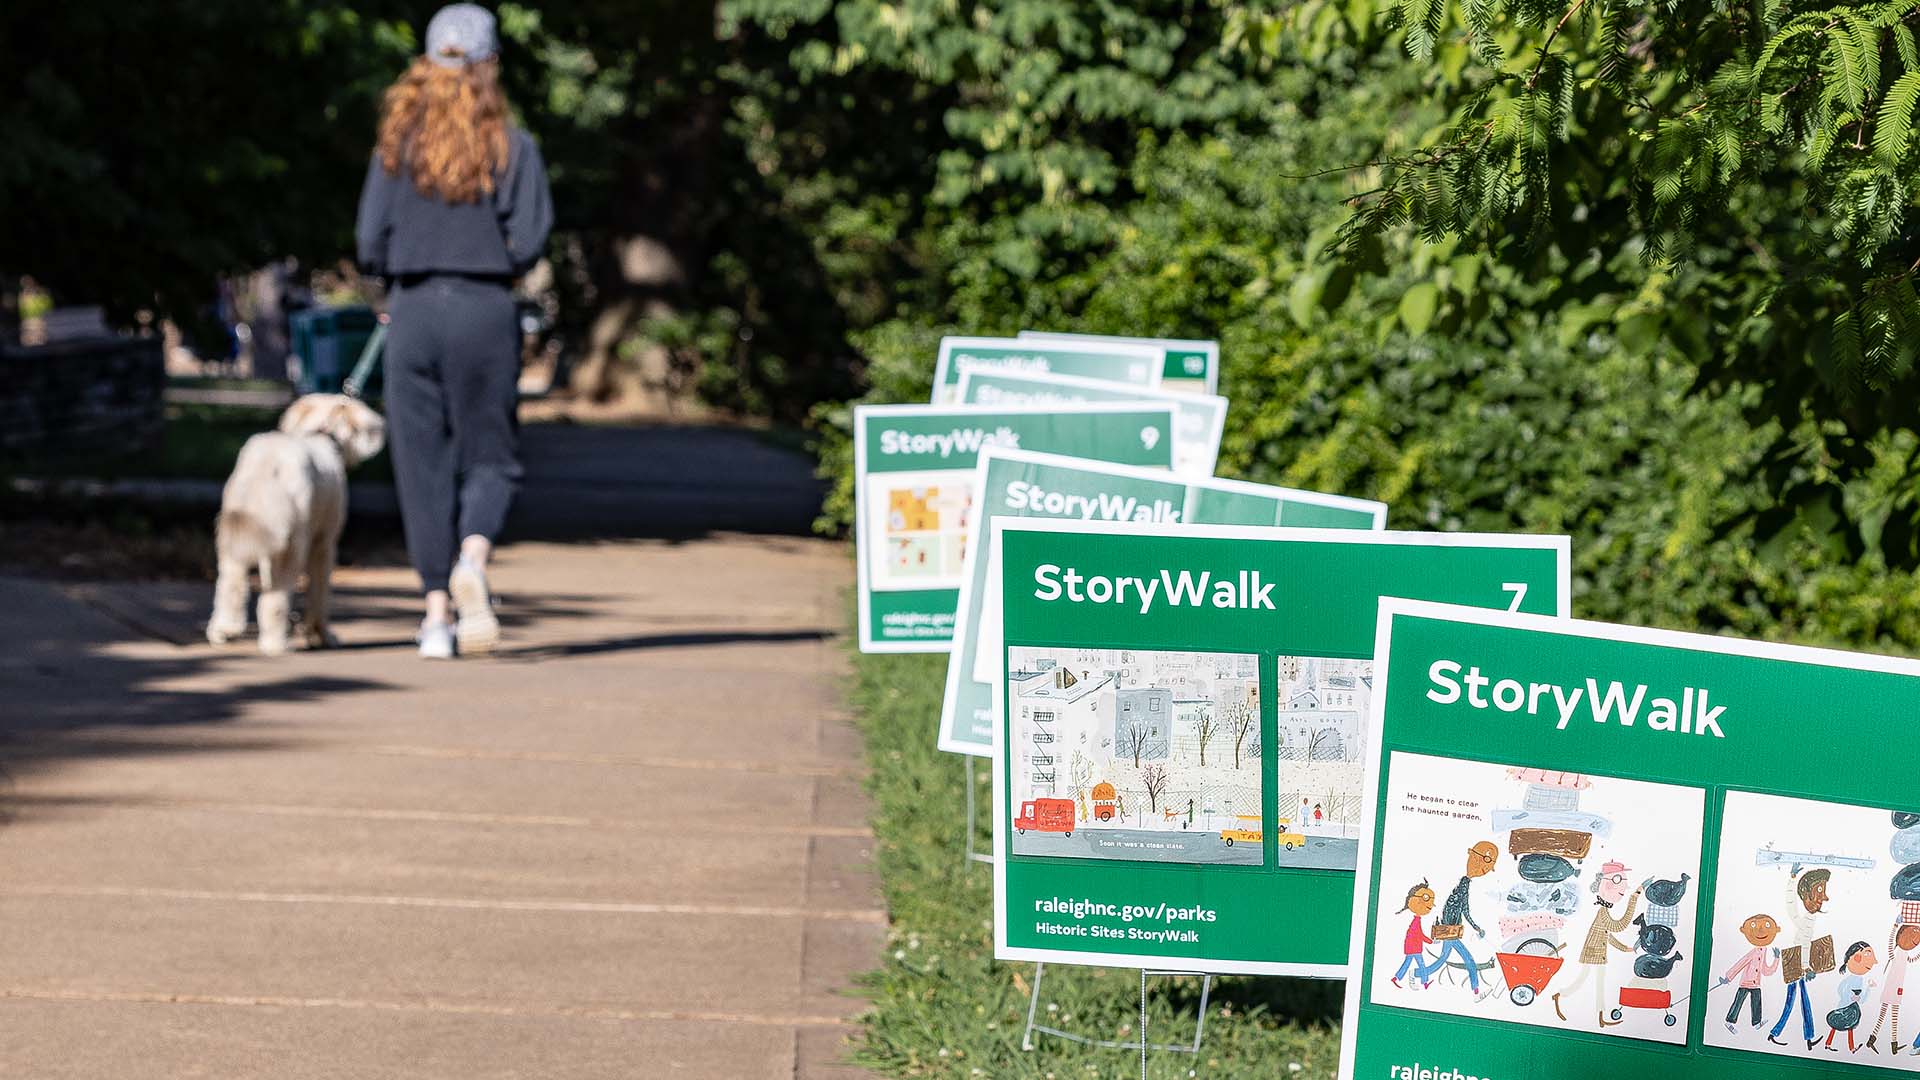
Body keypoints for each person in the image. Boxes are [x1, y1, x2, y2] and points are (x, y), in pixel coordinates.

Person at [355, 3, 552, 659]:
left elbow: (368, 240)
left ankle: (436, 616)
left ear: (425, 66)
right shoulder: (513, 146)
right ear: (490, 66)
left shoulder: (395, 147)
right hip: (484, 309)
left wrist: (396, 278)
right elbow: (530, 239)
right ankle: (473, 559)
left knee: (421, 464)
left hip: (412, 311)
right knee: (491, 454)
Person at [1551, 861, 1645, 1028]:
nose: (1623, 890)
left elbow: (1607, 935)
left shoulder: (1604, 911)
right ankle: (1561, 996)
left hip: (1598, 951)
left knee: (1594, 981)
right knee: (1585, 979)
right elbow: (1619, 926)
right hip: (1593, 952)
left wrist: (1625, 948)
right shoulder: (1603, 912)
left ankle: (1598, 1015)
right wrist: (1634, 898)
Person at [1771, 869, 1834, 1051]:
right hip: (1796, 964)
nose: (1824, 898)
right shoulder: (1804, 922)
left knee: (1799, 999)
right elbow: (1803, 944)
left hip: (1798, 964)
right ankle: (1779, 1033)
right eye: (1819, 891)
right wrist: (1806, 967)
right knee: (1795, 1000)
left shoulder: (1809, 919)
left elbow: (1805, 942)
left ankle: (1803, 1036)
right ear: (1806, 895)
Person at [1430, 841, 1499, 994]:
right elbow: (1457, 907)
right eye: (1487, 862)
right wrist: (1450, 924)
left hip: (1451, 929)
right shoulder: (1463, 886)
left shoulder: (1464, 884)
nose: (1485, 869)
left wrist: (1474, 926)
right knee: (1467, 959)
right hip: (1451, 930)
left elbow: (1462, 908)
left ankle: (1418, 974)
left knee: (1444, 959)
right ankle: (1476, 989)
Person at [1717, 913, 1782, 1035]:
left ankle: (1757, 1022)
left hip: (1756, 984)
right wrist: (1728, 977)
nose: (1761, 930)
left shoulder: (1763, 951)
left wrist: (1776, 959)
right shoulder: (1754, 952)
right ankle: (1729, 1021)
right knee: (1738, 1002)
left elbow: (1765, 970)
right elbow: (1741, 963)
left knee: (1756, 1001)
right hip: (1745, 982)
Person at [1865, 923, 1920, 1054]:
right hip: (1892, 987)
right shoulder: (1895, 952)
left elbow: (1912, 960)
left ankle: (1874, 1040)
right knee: (1890, 1015)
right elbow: (1890, 943)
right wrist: (1895, 926)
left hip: (1897, 987)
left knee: (1887, 1014)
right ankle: (1892, 1044)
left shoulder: (1905, 954)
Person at [1392, 880, 1437, 989]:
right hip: (1414, 948)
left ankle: (1396, 978)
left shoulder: (1416, 920)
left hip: (1411, 947)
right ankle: (1424, 982)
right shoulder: (1416, 922)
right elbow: (1420, 935)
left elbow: (1418, 935)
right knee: (1421, 964)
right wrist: (1431, 941)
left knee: (1408, 963)